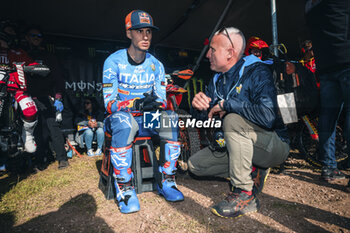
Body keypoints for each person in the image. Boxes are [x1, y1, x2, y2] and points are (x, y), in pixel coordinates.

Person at [188, 27, 290, 219]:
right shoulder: (217, 79)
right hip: (238, 143)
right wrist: (198, 107)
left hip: (274, 144)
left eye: (212, 49)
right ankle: (251, 168)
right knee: (195, 166)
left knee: (232, 119)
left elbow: (268, 116)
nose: (208, 54)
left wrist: (229, 104)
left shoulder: (257, 71)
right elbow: (204, 121)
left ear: (229, 53)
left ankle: (245, 194)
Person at [102, 10, 184, 214]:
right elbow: (109, 104)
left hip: (148, 119)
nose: (145, 36)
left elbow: (163, 100)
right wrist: (133, 104)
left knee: (171, 118)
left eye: (148, 31)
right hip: (123, 118)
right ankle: (125, 188)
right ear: (129, 33)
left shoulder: (157, 65)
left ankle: (167, 180)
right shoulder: (113, 61)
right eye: (139, 31)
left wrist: (155, 104)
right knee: (124, 121)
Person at [305, 0, 350, 181]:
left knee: (327, 116)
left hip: (325, 67)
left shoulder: (310, 7)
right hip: (347, 61)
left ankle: (329, 167)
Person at [24, 26, 69, 169]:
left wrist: (58, 97)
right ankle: (40, 160)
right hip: (28, 98)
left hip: (45, 97)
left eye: (39, 36)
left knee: (53, 127)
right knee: (36, 130)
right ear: (27, 37)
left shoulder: (48, 56)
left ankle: (62, 159)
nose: (36, 38)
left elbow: (58, 78)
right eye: (33, 35)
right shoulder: (22, 55)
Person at [0, 23, 38, 154]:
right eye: (8, 30)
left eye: (12, 31)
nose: (11, 34)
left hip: (16, 90)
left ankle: (27, 135)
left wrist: (38, 67)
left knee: (30, 110)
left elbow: (31, 64)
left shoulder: (18, 52)